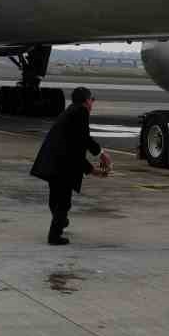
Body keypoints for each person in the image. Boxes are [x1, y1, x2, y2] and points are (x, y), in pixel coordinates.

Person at [29, 87, 110, 245]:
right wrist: (95, 164)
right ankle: (55, 235)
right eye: (92, 100)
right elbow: (80, 143)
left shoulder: (71, 111)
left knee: (55, 198)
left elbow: (77, 142)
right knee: (63, 202)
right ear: (86, 101)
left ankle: (60, 221)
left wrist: (97, 157)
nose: (92, 104)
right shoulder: (81, 112)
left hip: (52, 162)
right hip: (62, 164)